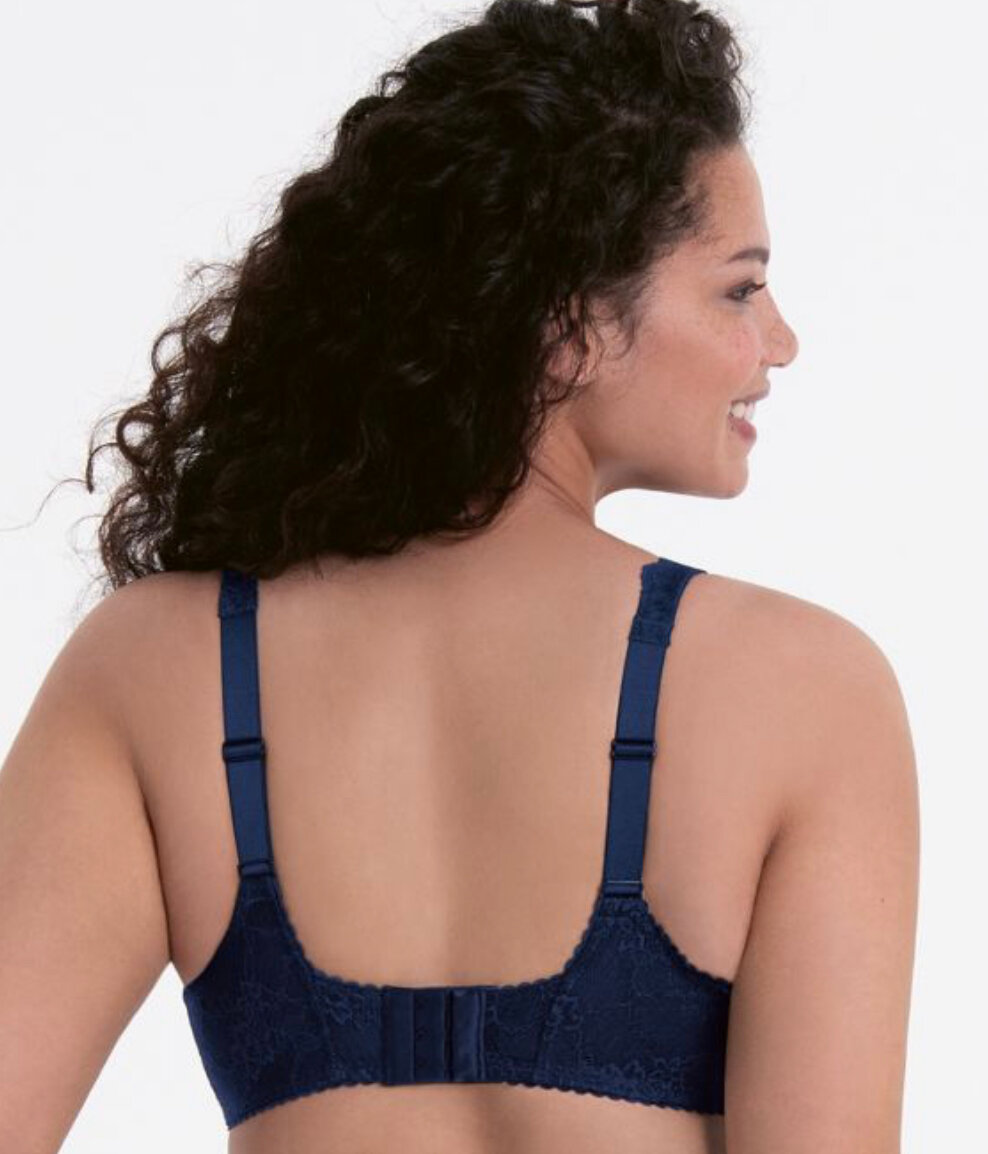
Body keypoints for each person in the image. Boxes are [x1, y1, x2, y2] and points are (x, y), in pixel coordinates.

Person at [0, 1, 919, 1152]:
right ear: (569, 324)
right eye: (739, 289)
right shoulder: (804, 689)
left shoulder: (155, 668)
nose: (778, 341)